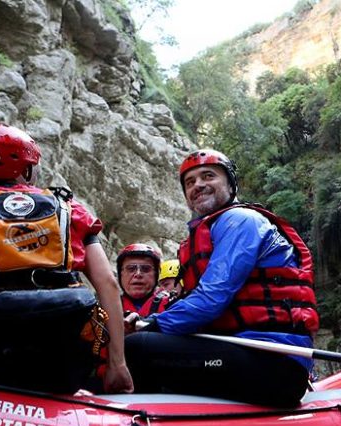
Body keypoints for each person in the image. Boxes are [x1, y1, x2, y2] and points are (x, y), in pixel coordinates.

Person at [0, 124, 132, 394]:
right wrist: (117, 364)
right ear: (26, 168)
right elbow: (108, 284)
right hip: (62, 364)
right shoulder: (70, 210)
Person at [125, 149, 318, 407]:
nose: (198, 185)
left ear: (230, 184)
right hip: (235, 350)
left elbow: (211, 299)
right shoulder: (209, 231)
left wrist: (154, 324)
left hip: (273, 360)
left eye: (208, 176)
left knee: (137, 348)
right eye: (190, 182)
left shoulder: (240, 221)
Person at [117, 244, 171, 317]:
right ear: (121, 274)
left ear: (156, 274)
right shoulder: (106, 307)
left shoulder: (172, 306)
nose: (138, 274)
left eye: (146, 269)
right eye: (131, 268)